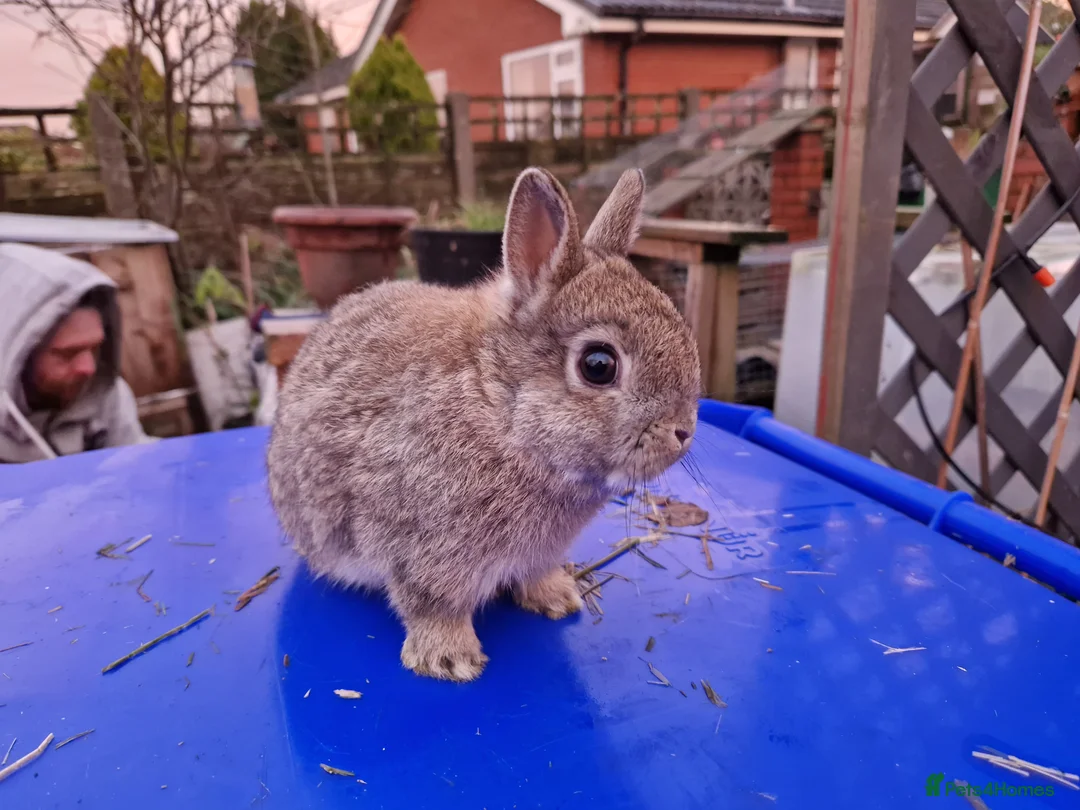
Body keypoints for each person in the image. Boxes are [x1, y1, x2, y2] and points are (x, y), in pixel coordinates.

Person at [0, 242, 151, 463]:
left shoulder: (103, 394)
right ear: (18, 353)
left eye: (95, 347)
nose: (88, 368)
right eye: (67, 354)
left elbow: (136, 465)